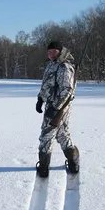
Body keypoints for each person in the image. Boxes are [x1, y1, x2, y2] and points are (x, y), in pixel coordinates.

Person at [35, 41, 80, 178]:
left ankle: (43, 167)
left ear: (60, 51)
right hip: (51, 104)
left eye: (53, 51)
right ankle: (73, 161)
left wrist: (55, 108)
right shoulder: (51, 65)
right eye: (49, 51)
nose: (50, 54)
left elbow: (67, 91)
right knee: (62, 134)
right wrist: (40, 99)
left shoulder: (64, 67)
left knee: (46, 135)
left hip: (60, 106)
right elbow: (47, 85)